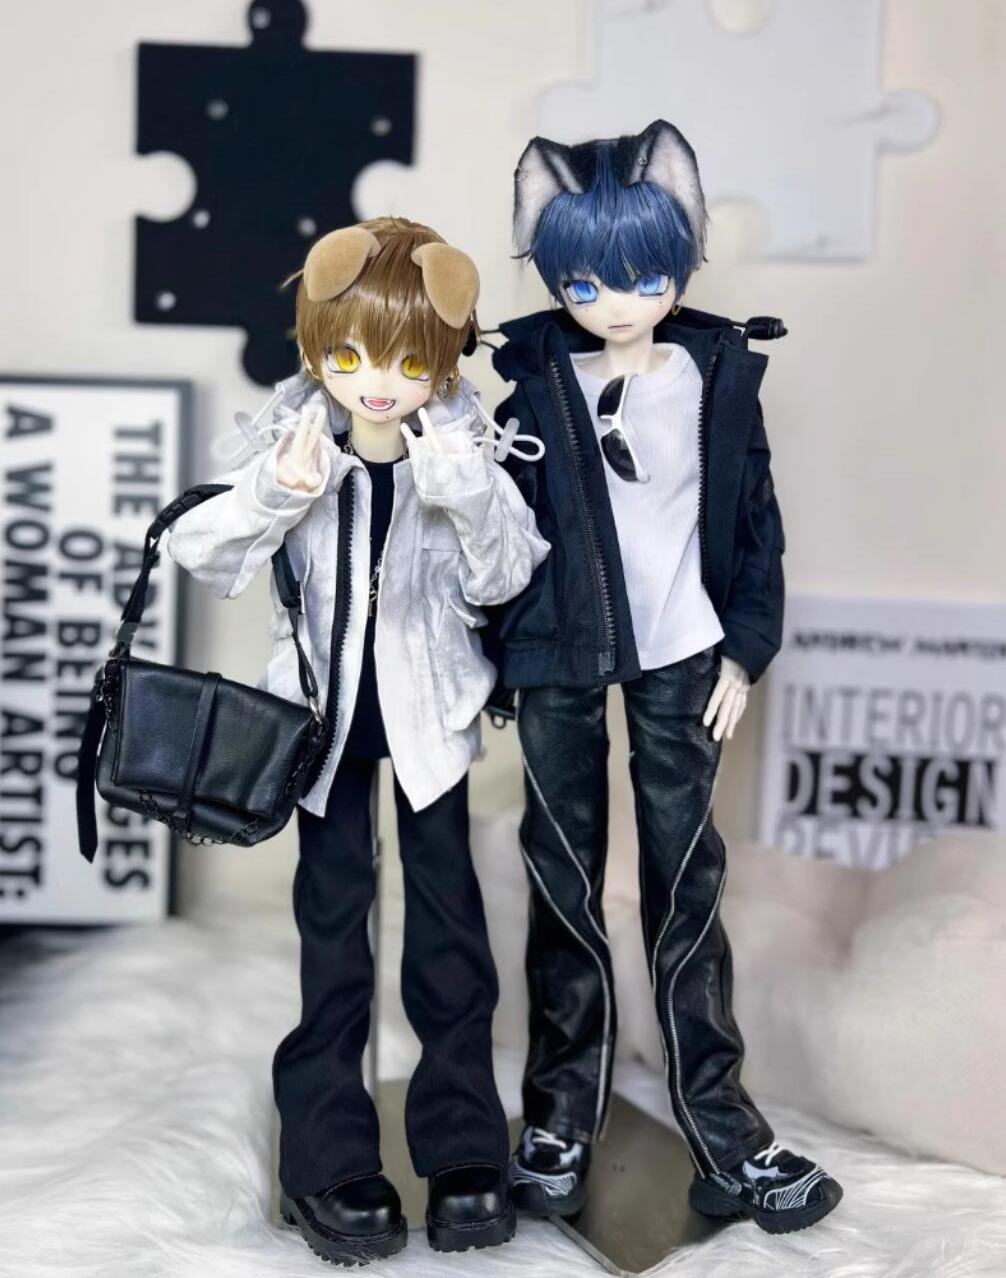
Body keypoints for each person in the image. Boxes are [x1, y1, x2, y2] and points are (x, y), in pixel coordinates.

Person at [164, 217, 550, 1265]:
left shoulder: (462, 446)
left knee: (449, 941)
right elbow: (200, 552)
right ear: (317, 348)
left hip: (430, 723)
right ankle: (328, 1153)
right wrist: (275, 493)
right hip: (321, 734)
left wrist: (462, 488)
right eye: (350, 357)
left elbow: (507, 575)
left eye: (408, 364)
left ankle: (463, 1150)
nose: (377, 384)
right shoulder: (295, 440)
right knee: (333, 941)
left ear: (445, 359)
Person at [484, 121, 843, 1235]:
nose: (616, 303)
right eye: (584, 282)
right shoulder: (531, 382)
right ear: (550, 272)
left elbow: (756, 523)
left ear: (683, 252)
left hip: (685, 647)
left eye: (643, 276)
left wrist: (746, 647)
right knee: (562, 881)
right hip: (556, 651)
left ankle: (724, 1137)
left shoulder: (715, 375)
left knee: (687, 887)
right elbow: (493, 537)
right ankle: (559, 1118)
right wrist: (489, 650)